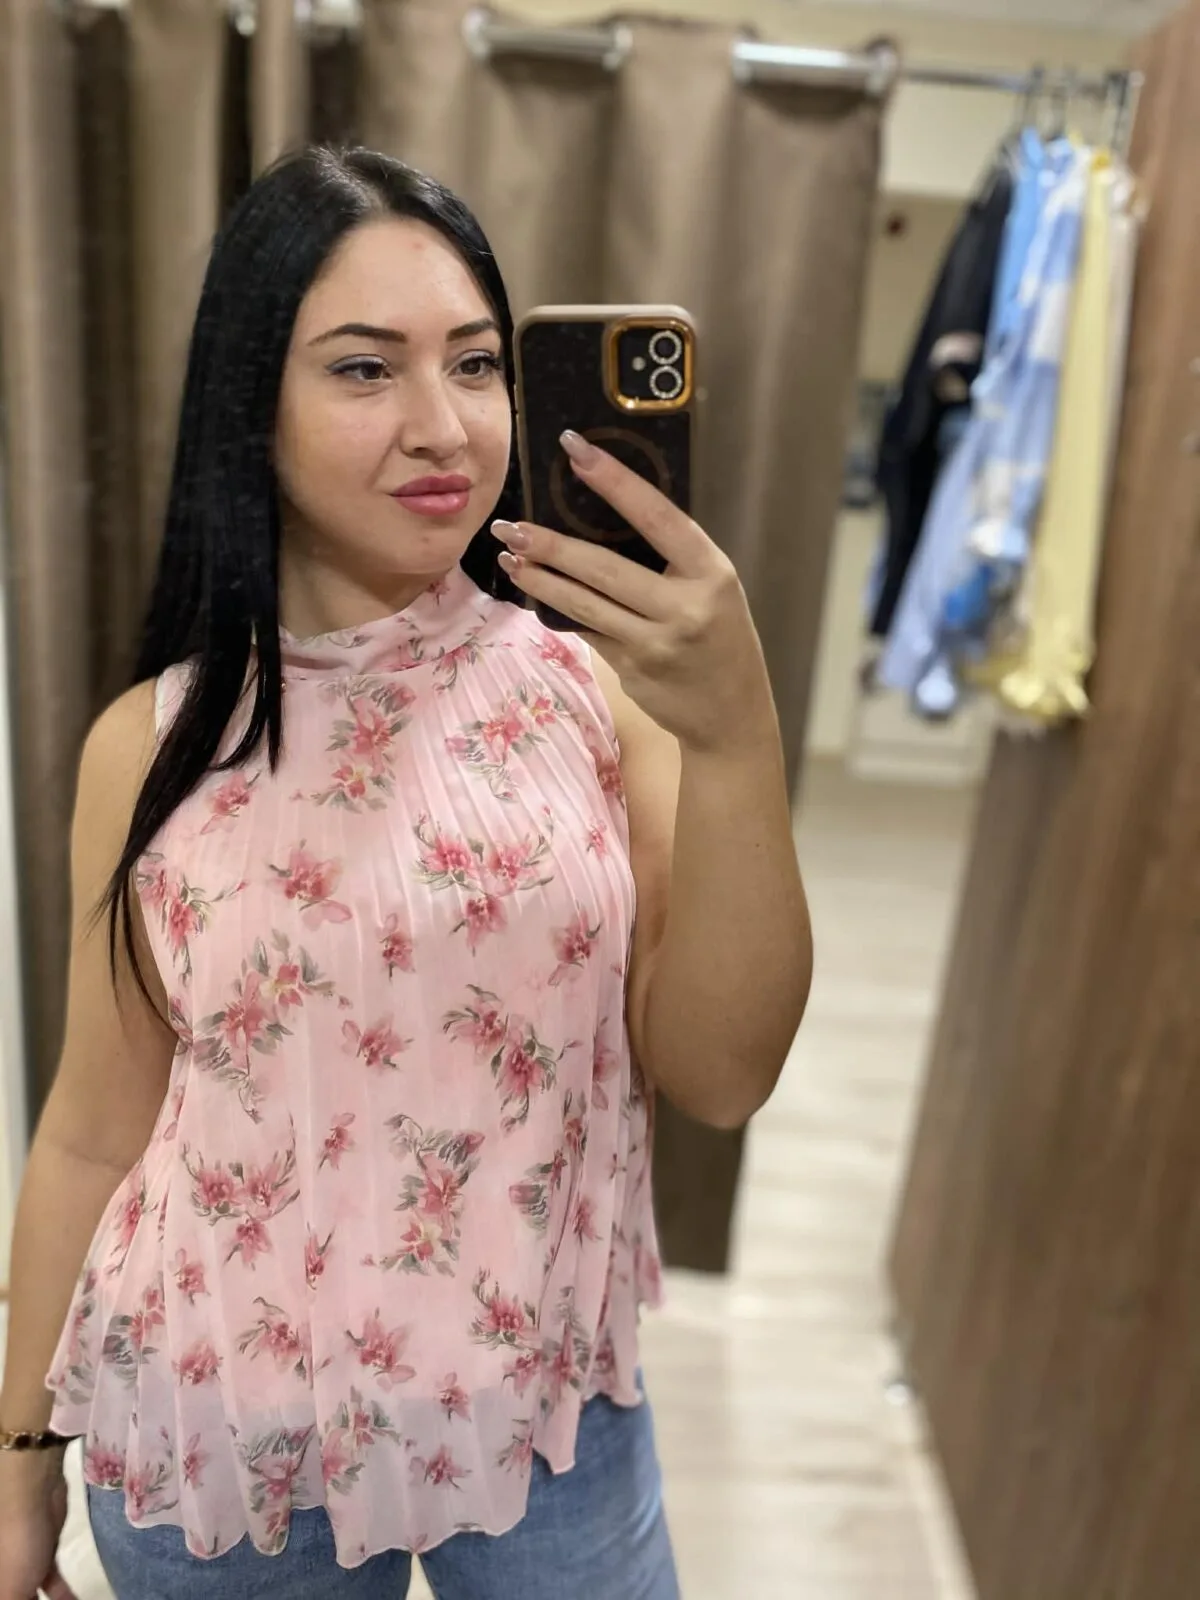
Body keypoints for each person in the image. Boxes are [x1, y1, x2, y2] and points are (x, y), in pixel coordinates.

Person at [0, 145, 812, 1600]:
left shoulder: (597, 693)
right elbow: (90, 1130)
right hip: (222, 1428)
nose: (443, 426)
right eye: (365, 369)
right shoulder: (153, 744)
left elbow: (724, 1073)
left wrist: (738, 736)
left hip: (550, 1407)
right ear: (251, 403)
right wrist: (15, 1464)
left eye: (478, 364)